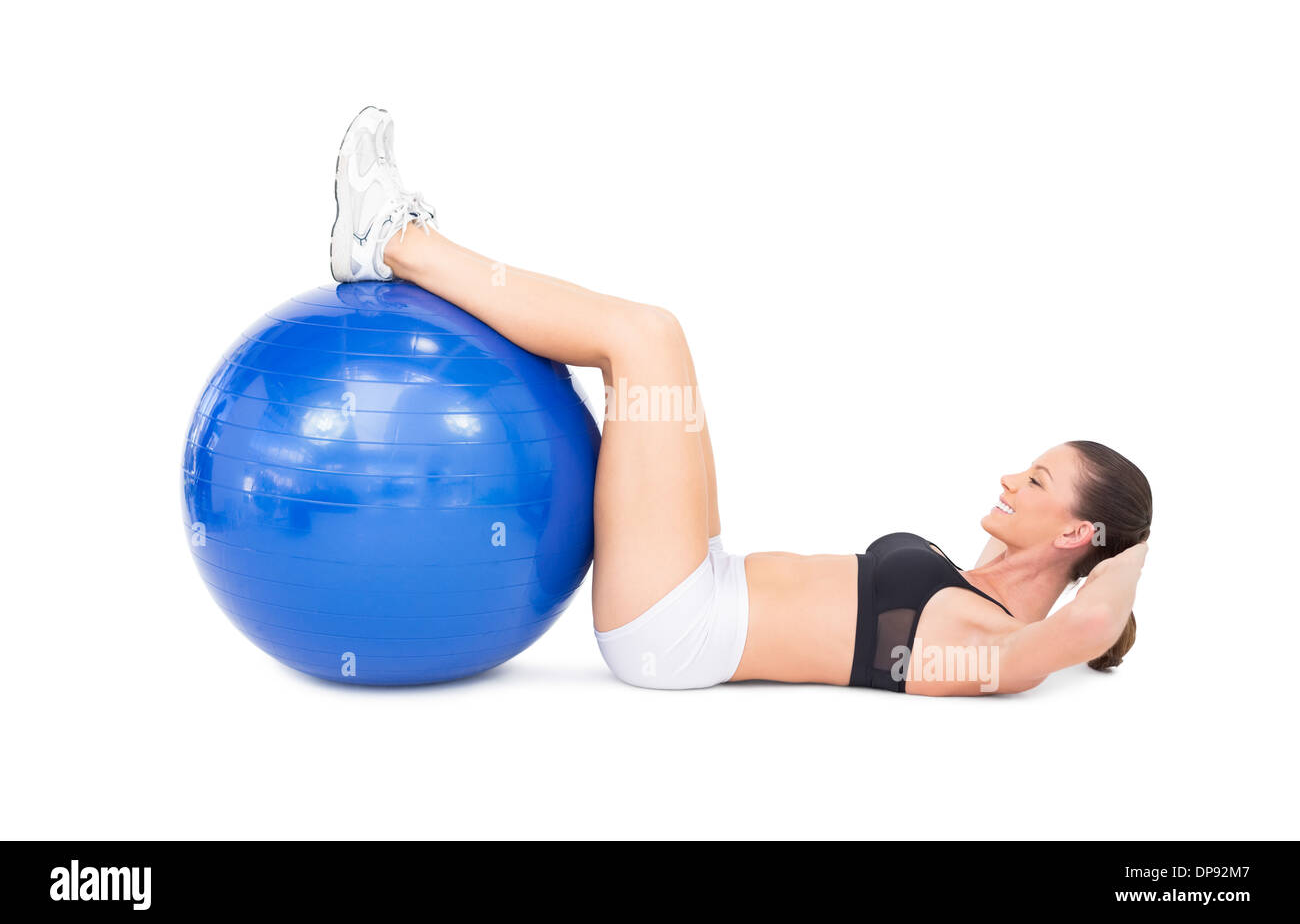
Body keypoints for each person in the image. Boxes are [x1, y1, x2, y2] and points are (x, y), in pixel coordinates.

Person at [329, 106, 1152, 696]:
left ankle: (395, 242)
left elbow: (1084, 628)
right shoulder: (975, 588)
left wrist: (1131, 546)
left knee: (644, 338)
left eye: (1039, 483)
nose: (1012, 479)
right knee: (650, 357)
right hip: (708, 578)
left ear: (1081, 532)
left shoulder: (998, 645)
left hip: (680, 629)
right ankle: (405, 245)